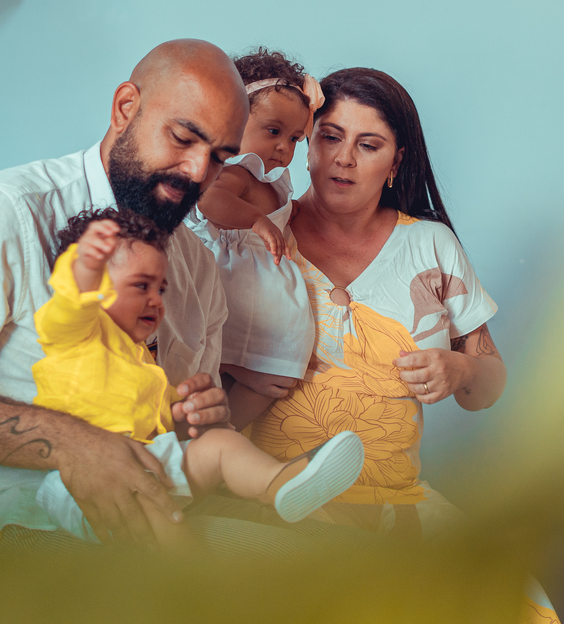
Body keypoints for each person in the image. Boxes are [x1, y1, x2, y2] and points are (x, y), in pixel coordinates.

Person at [0, 40, 248, 550]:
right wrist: (73, 445)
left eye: (220, 158)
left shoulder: (199, 266)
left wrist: (202, 418)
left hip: (160, 521)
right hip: (12, 537)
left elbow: (178, 430)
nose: (199, 171)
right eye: (183, 138)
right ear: (124, 108)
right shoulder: (1, 211)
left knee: (321, 567)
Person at [247, 67, 508, 540]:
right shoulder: (255, 234)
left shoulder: (431, 246)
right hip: (269, 519)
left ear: (395, 161)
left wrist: (462, 370)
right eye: (330, 137)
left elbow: (489, 384)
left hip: (393, 518)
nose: (343, 159)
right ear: (307, 142)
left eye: (368, 146)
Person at [31, 207, 364, 544]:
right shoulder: (77, 335)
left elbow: (157, 419)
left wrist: (185, 412)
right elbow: (69, 305)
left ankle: (279, 484)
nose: (155, 301)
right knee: (166, 530)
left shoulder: (140, 358)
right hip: (87, 481)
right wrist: (85, 267)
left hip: (152, 464)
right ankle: (180, 575)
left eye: (160, 290)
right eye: (141, 286)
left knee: (220, 445)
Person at [187, 48, 323, 431]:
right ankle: (209, 450)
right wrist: (258, 221)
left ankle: (219, 447)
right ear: (233, 121)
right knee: (232, 384)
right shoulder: (239, 170)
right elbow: (210, 200)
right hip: (230, 296)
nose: (285, 147)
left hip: (258, 310)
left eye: (297, 138)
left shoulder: (269, 180)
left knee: (274, 382)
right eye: (274, 131)